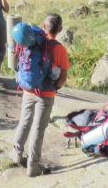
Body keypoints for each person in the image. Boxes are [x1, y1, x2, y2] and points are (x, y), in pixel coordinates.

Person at [10, 13, 68, 177]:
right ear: (60, 30)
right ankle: (33, 166)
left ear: (43, 26)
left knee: (25, 120)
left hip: (28, 89)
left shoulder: (33, 39)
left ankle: (16, 153)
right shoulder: (59, 49)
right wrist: (56, 86)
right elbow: (63, 77)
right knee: (38, 128)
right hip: (46, 93)